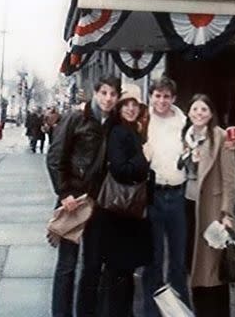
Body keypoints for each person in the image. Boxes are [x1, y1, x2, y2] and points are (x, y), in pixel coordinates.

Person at [46, 75, 120, 317]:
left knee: (92, 265)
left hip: (99, 202)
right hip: (74, 201)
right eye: (104, 93)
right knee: (67, 265)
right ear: (96, 93)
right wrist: (65, 192)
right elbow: (55, 157)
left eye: (113, 94)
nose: (108, 98)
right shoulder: (76, 118)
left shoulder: (114, 123)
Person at [78, 83, 152, 317]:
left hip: (126, 211)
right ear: (119, 107)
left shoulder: (134, 131)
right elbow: (121, 169)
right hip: (117, 211)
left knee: (121, 270)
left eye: (135, 105)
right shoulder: (120, 132)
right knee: (115, 269)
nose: (131, 109)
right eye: (126, 104)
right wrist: (145, 160)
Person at [180, 94, 235, 317]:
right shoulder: (186, 137)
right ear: (189, 112)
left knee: (215, 269)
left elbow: (230, 179)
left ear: (211, 113)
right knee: (194, 267)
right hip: (188, 207)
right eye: (195, 109)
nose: (199, 113)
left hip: (212, 210)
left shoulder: (221, 137)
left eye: (204, 109)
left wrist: (227, 212)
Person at [142, 76, 191, 317]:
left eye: (166, 96)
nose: (162, 100)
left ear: (173, 98)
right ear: (151, 97)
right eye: (158, 95)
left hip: (177, 195)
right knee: (153, 260)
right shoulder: (143, 121)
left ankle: (179, 312)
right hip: (153, 195)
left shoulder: (184, 122)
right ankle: (151, 313)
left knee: (178, 261)